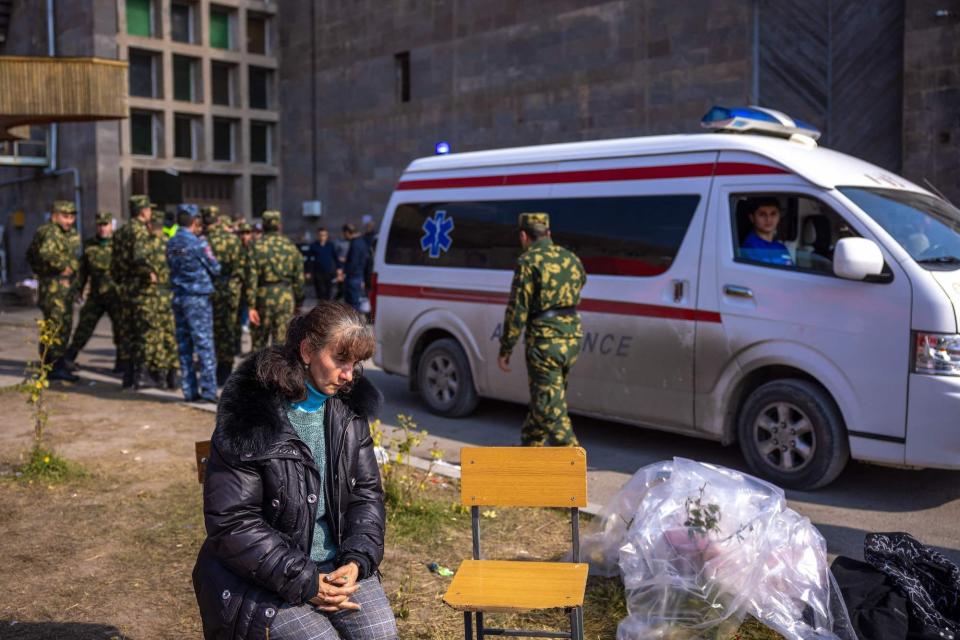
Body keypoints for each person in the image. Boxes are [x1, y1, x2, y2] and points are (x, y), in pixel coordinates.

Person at [192, 302, 397, 640]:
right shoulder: (252, 413)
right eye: (340, 360)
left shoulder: (348, 411)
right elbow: (232, 521)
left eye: (356, 364)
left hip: (336, 564)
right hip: (262, 573)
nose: (348, 376)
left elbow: (366, 495)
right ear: (306, 350)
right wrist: (303, 580)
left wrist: (358, 559)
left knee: (381, 634)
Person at [498, 212, 586, 447]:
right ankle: (529, 453)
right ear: (548, 233)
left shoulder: (528, 262)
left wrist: (506, 348)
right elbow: (581, 282)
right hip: (572, 337)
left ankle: (571, 462)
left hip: (545, 341)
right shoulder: (571, 258)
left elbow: (517, 309)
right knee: (547, 401)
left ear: (524, 236)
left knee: (550, 409)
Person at [166, 204, 221, 403]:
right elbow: (215, 268)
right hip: (197, 298)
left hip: (179, 296)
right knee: (204, 345)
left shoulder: (171, 242)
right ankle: (208, 391)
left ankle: (189, 390)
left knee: (184, 345)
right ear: (195, 220)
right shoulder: (198, 243)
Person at [25, 199, 81, 382]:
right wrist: (61, 267)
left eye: (72, 217)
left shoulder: (66, 232)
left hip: (63, 288)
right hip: (54, 288)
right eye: (65, 217)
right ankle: (55, 367)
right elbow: (43, 254)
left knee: (59, 326)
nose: (69, 221)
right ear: (54, 215)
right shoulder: (50, 232)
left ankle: (52, 363)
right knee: (56, 327)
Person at [63, 211, 121, 373]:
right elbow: (83, 271)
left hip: (115, 294)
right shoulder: (90, 245)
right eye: (100, 225)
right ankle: (68, 359)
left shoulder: (119, 244)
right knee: (84, 326)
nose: (103, 228)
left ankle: (122, 363)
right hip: (96, 295)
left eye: (106, 225)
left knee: (121, 329)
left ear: (111, 225)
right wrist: (78, 290)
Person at [112, 195, 157, 389]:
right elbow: (140, 258)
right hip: (140, 289)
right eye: (149, 209)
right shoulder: (139, 231)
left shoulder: (122, 230)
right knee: (143, 333)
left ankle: (128, 376)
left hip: (125, 287)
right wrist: (150, 273)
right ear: (143, 211)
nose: (151, 213)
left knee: (128, 333)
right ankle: (141, 376)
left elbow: (114, 262)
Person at [248, 210, 306, 350]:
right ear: (279, 225)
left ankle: (258, 371)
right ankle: (278, 372)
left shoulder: (256, 246)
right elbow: (299, 278)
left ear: (263, 226)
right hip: (285, 297)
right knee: (281, 344)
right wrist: (299, 301)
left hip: (262, 297)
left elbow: (251, 278)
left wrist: (251, 306)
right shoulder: (290, 246)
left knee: (259, 344)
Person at [206, 213, 246, 385]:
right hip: (229, 291)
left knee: (210, 331)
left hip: (209, 290)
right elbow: (241, 269)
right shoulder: (234, 242)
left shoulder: (205, 241)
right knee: (228, 331)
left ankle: (210, 368)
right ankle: (224, 371)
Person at [145, 217, 180, 389]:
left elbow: (139, 262)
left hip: (155, 295)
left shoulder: (148, 245)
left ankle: (160, 374)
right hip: (171, 293)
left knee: (156, 334)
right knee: (171, 335)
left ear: (151, 226)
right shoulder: (172, 245)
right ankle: (173, 374)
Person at [740, 197, 794, 266]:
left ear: (779, 216)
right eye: (762, 214)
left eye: (773, 214)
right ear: (752, 218)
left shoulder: (781, 247)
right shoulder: (749, 248)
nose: (768, 219)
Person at [342, 224, 369, 313]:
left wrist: (345, 273)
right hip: (359, 275)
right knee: (355, 301)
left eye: (344, 234)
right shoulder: (362, 242)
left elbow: (353, 262)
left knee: (352, 304)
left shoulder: (355, 244)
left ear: (347, 232)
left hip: (353, 276)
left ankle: (353, 324)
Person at [309, 227, 338, 302]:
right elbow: (309, 259)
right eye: (320, 235)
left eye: (324, 235)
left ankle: (327, 309)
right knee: (320, 293)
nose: (322, 237)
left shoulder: (330, 245)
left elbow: (335, 257)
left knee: (328, 293)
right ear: (318, 236)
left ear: (327, 236)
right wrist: (308, 271)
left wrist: (339, 268)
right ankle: (321, 309)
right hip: (317, 273)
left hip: (328, 272)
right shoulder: (313, 246)